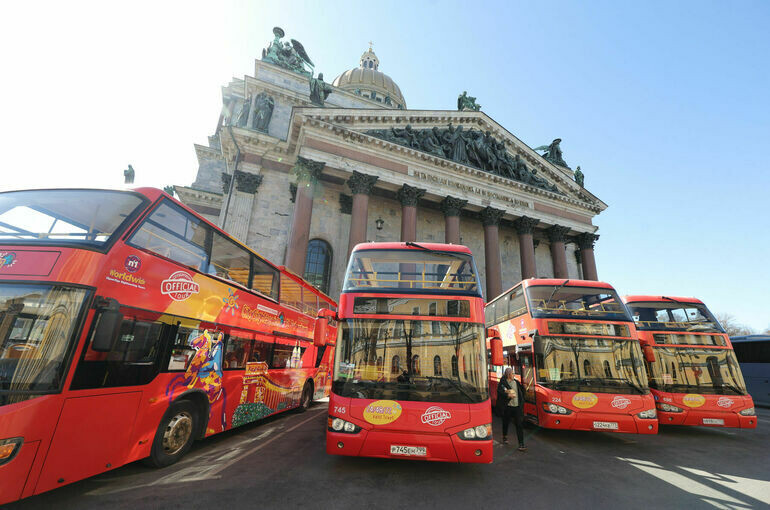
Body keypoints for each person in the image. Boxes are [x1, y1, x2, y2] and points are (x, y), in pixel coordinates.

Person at [497, 367, 527, 451]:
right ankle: (505, 436)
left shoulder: (516, 382)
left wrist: (524, 388)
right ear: (508, 375)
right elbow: (500, 392)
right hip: (508, 407)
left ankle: (521, 444)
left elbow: (522, 392)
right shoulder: (503, 383)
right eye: (512, 373)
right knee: (506, 422)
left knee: (519, 425)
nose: (513, 375)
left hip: (517, 407)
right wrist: (507, 395)